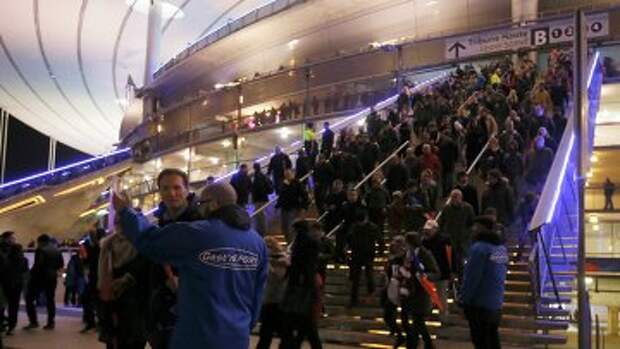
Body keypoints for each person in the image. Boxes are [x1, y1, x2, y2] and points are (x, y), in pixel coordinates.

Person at [114, 182, 268, 349]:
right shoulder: (258, 243)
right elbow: (258, 294)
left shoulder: (197, 233)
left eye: (201, 203)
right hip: (237, 337)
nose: (199, 209)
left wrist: (125, 211)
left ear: (214, 204)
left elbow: (149, 240)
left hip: (196, 335)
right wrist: (244, 326)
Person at [148, 168, 202, 349]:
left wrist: (186, 281)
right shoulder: (159, 224)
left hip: (192, 308)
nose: (172, 193)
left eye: (177, 188)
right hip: (162, 309)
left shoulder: (201, 222)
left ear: (187, 190)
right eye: (165, 188)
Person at [98, 218, 151, 349]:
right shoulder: (107, 244)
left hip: (136, 303)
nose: (120, 226)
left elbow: (146, 274)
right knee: (114, 341)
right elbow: (101, 275)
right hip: (112, 302)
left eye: (123, 222)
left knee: (133, 341)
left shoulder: (142, 245)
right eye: (117, 222)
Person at [460, 216, 508, 349]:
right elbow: (500, 274)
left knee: (481, 342)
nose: (472, 230)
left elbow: (472, 277)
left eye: (475, 227)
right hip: (495, 303)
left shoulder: (478, 249)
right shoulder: (500, 248)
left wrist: (464, 299)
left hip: (479, 304)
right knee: (493, 340)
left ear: (482, 228)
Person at [279, 220, 323, 349]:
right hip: (305, 287)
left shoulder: (302, 243)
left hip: (300, 288)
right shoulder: (309, 243)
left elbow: (301, 267)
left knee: (300, 326)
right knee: (307, 327)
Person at [399, 232, 440, 349]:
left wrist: (424, 276)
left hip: (420, 293)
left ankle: (416, 346)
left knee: (417, 322)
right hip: (408, 292)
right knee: (414, 323)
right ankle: (427, 345)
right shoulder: (406, 254)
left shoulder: (425, 254)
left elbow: (435, 272)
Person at [24, 234, 64, 330]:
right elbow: (61, 264)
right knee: (50, 300)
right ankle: (51, 323)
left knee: (29, 298)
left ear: (40, 242)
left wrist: (31, 275)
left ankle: (33, 321)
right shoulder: (57, 250)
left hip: (40, 278)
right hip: (52, 277)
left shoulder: (41, 250)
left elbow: (38, 265)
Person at [256, 237, 289, 349]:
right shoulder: (266, 260)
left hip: (277, 300)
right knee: (267, 333)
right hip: (269, 299)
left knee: (272, 332)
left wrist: (268, 266)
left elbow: (278, 277)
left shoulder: (282, 260)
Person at [438, 189, 474, 281]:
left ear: (460, 198)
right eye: (452, 197)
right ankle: (451, 283)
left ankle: (462, 281)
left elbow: (472, 224)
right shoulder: (447, 208)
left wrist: (467, 234)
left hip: (463, 240)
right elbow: (441, 223)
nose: (454, 199)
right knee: (450, 262)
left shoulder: (467, 208)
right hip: (450, 239)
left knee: (461, 262)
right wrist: (443, 235)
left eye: (456, 197)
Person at [347, 210, 380, 308]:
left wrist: (380, 250)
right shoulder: (355, 227)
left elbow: (379, 239)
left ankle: (371, 295)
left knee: (369, 275)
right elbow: (349, 238)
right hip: (357, 254)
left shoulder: (371, 227)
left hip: (367, 254)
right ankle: (354, 300)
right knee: (356, 278)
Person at [421, 219, 452, 321]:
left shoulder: (444, 240)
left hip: (442, 271)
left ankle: (443, 316)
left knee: (441, 294)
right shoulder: (424, 241)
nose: (427, 232)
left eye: (430, 230)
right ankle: (428, 312)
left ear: (436, 229)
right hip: (429, 271)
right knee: (428, 293)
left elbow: (450, 256)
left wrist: (452, 270)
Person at [0, 232, 27, 335]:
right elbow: (25, 272)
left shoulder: (6, 260)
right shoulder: (24, 260)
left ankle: (2, 323)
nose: (14, 239)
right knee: (13, 306)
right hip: (17, 285)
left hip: (5, 283)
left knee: (2, 305)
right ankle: (11, 326)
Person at [276, 169, 309, 243]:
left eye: (289, 174)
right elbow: (281, 196)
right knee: (284, 227)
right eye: (286, 175)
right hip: (284, 208)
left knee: (290, 227)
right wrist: (277, 206)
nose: (287, 176)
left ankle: (292, 244)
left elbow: (304, 195)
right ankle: (289, 243)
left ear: (292, 174)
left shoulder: (297, 183)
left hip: (293, 208)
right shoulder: (284, 184)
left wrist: (304, 207)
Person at [251, 162, 274, 236]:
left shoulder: (257, 176)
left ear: (254, 168)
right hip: (263, 197)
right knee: (261, 215)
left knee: (260, 215)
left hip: (259, 198)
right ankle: (262, 230)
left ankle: (262, 231)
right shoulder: (262, 175)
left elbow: (257, 188)